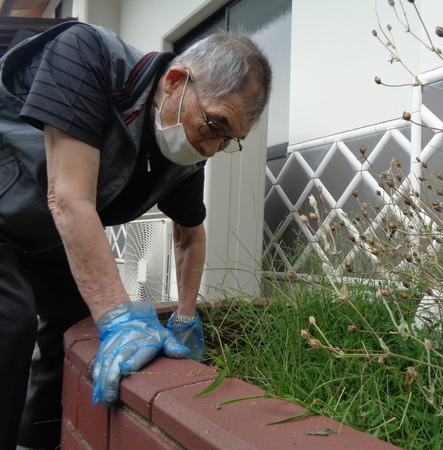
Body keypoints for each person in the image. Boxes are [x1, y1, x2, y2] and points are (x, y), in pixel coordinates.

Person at [0, 21, 272, 450]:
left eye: (229, 140)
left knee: (74, 326)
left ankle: (34, 441)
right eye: (215, 125)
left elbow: (189, 236)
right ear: (176, 82)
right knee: (9, 318)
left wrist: (185, 315)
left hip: (43, 230)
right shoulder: (86, 54)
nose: (212, 149)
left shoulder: (184, 155)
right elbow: (69, 198)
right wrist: (120, 317)